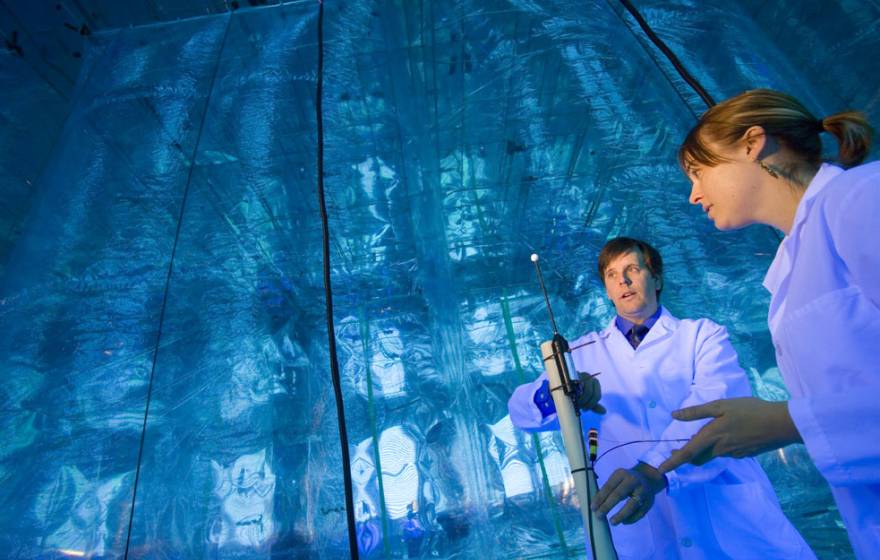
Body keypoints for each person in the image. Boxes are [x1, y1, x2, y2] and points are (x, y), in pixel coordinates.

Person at [658, 88, 879, 558]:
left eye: (698, 172)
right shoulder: (792, 265)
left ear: (751, 143)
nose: (693, 194)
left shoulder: (861, 199)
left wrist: (787, 421)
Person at [508, 237, 813, 559]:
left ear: (656, 278)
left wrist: (652, 472)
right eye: (612, 275)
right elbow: (521, 412)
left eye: (632, 269)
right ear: (608, 291)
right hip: (639, 531)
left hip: (726, 515)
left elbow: (713, 409)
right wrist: (562, 392)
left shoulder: (703, 335)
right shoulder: (581, 355)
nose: (623, 280)